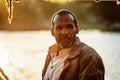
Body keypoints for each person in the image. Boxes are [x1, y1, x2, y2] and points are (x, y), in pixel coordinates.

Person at [42, 9, 105, 80]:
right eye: (59, 28)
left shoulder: (88, 57)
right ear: (52, 32)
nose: (64, 32)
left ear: (77, 29)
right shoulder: (51, 54)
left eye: (69, 27)